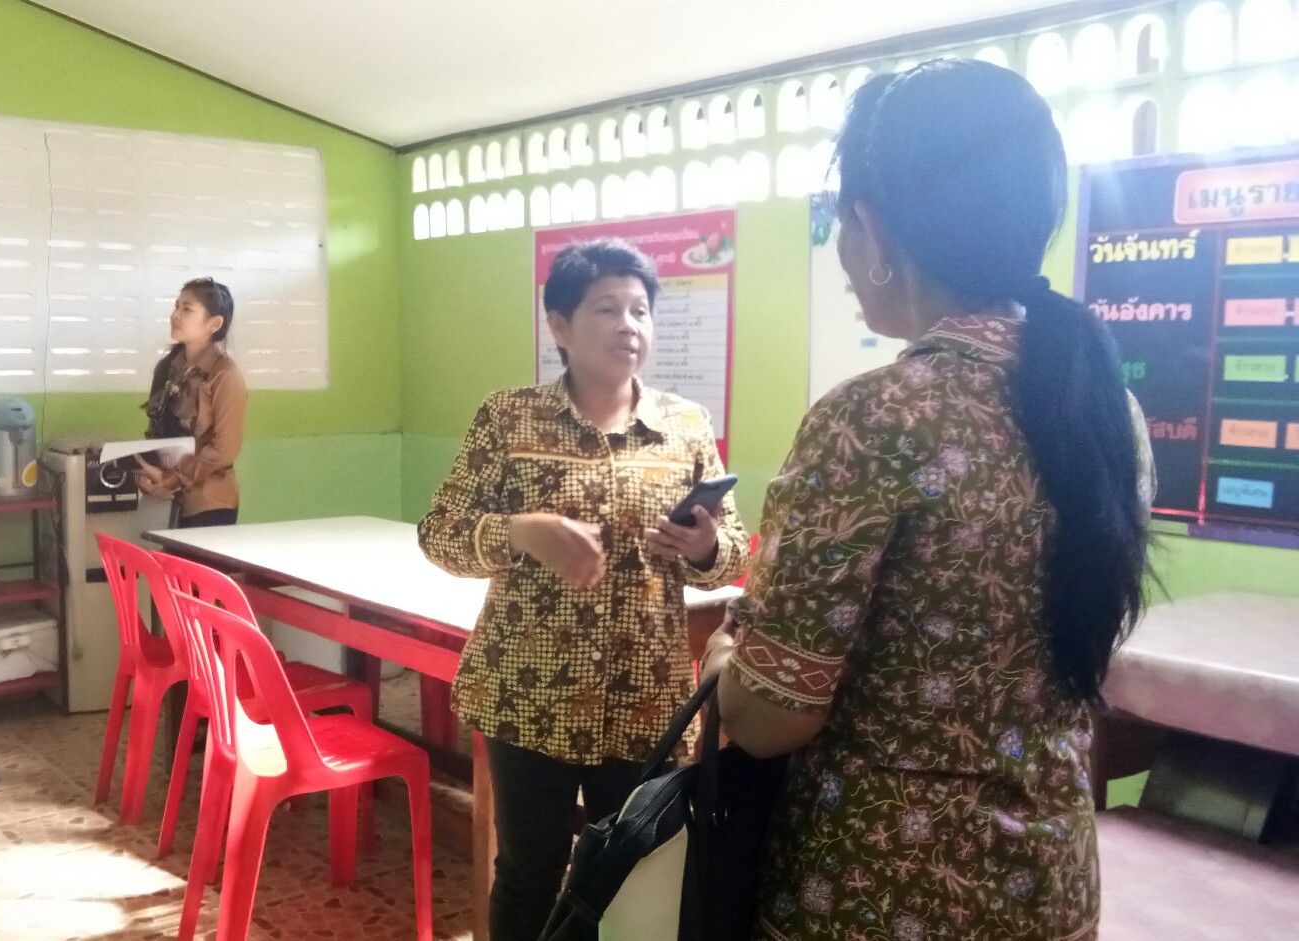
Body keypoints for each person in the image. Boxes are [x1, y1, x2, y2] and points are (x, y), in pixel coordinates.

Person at [701, 59, 1155, 941]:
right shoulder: (1109, 412)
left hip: (879, 893)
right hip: (1050, 881)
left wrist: (724, 660)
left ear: (872, 226)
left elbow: (769, 716)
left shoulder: (875, 417)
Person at [419, 239, 752, 941]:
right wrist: (521, 530)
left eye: (640, 310)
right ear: (560, 325)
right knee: (528, 871)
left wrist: (703, 548)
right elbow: (439, 533)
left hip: (643, 695)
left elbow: (730, 550)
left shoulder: (684, 427)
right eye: (607, 308)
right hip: (527, 693)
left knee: (629, 872)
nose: (629, 325)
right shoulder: (508, 418)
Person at [136, 277, 247, 527]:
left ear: (214, 323)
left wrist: (174, 478)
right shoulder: (166, 369)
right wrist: (145, 477)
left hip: (209, 504)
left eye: (187, 309)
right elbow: (155, 435)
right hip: (163, 500)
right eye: (176, 306)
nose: (175, 315)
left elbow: (225, 449)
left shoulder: (225, 375)